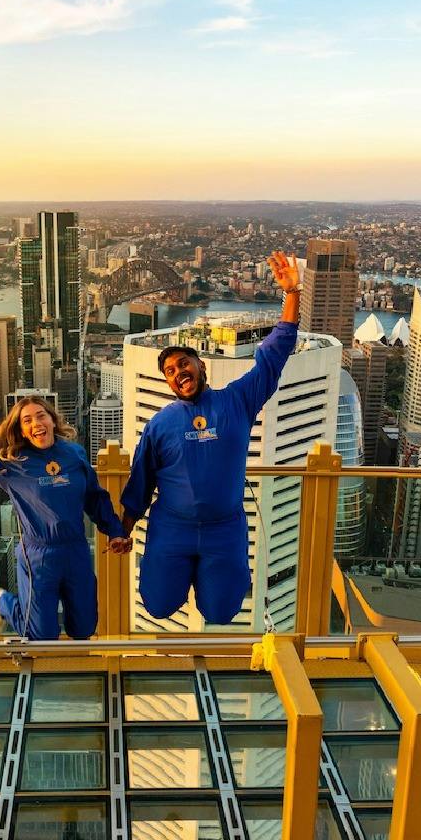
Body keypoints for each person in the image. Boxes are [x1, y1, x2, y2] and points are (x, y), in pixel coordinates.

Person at [121, 250, 300, 625]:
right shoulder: (160, 424)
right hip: (172, 526)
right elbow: (140, 483)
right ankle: (180, 576)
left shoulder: (237, 400)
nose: (178, 372)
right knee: (157, 605)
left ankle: (211, 585)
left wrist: (292, 294)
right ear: (168, 382)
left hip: (225, 528)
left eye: (184, 363)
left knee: (222, 611)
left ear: (201, 365)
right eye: (170, 371)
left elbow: (274, 355)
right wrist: (124, 529)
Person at [0, 392, 129, 639]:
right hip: (39, 554)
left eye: (41, 416)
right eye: (27, 421)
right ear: (21, 431)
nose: (36, 423)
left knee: (84, 628)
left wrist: (114, 531)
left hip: (76, 549)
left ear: (52, 420)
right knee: (40, 634)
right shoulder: (11, 462)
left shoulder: (74, 454)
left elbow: (94, 497)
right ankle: (2, 601)